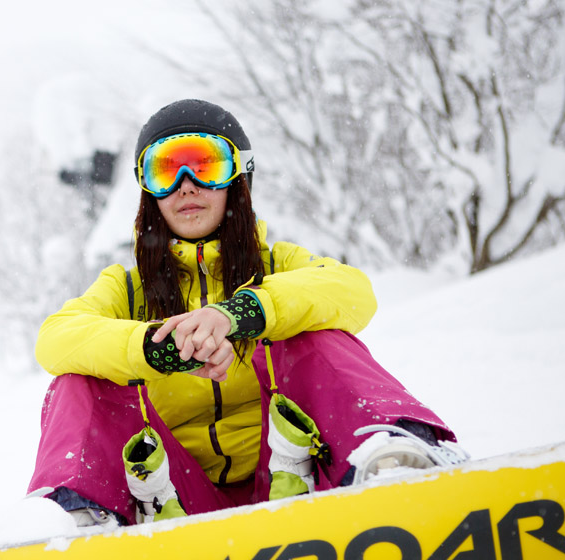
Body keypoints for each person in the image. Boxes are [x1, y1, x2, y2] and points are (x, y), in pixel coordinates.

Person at [28, 99, 467, 529]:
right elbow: (55, 338)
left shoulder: (276, 263)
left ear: (238, 177)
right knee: (80, 375)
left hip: (289, 478)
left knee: (318, 333)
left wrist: (242, 312)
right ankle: (80, 515)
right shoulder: (128, 288)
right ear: (148, 191)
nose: (186, 185)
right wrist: (157, 348)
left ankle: (389, 459)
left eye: (206, 166)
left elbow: (353, 292)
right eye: (166, 170)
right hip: (173, 500)